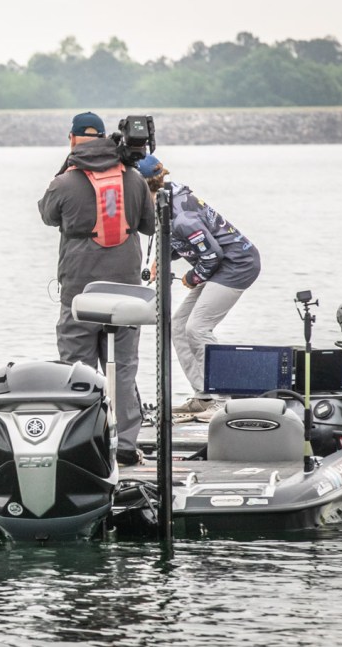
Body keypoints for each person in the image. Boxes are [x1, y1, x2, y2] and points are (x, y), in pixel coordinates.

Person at [38, 112, 155, 465]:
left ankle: (81, 442)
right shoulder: (133, 178)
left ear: (72, 139)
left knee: (77, 369)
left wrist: (65, 170)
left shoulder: (64, 183)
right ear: (107, 137)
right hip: (127, 292)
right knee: (125, 367)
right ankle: (126, 443)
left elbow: (47, 215)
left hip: (81, 290)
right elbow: (149, 225)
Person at [138, 153, 261, 420]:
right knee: (178, 326)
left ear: (141, 186)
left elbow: (211, 254)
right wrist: (162, 258)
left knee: (197, 328)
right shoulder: (166, 198)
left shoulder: (182, 217)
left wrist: (192, 278)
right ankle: (204, 396)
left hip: (238, 265)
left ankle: (223, 400)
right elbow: (183, 242)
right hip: (219, 264)